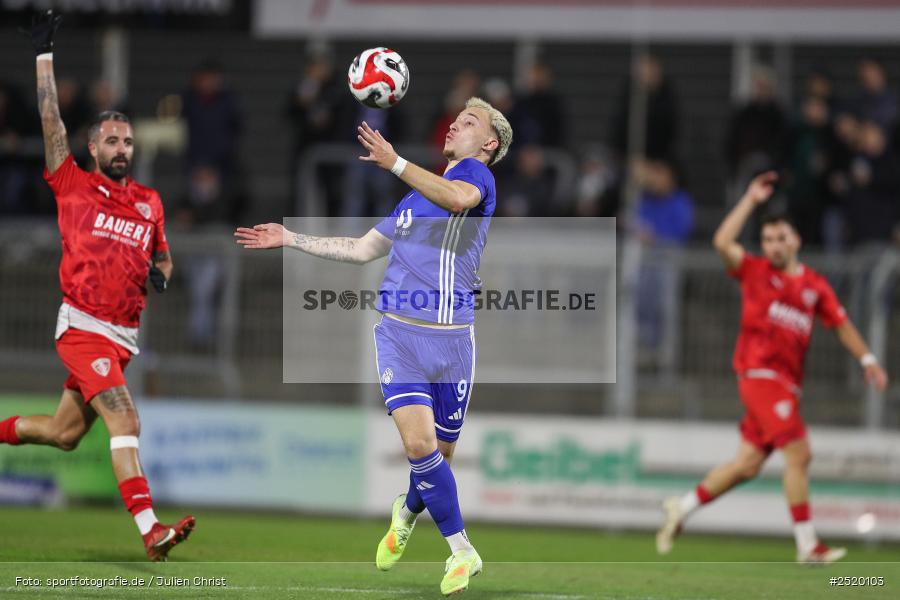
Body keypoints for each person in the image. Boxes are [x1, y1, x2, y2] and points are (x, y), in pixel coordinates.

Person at [236, 97, 512, 596]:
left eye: (469, 122)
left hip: (453, 342)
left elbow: (457, 199)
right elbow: (362, 249)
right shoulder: (410, 201)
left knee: (437, 462)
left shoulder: (477, 178)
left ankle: (405, 513)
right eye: (456, 117)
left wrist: (395, 162)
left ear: (488, 144)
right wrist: (292, 237)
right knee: (420, 447)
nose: (454, 123)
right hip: (399, 334)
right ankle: (463, 551)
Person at [0, 11, 195, 561]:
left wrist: (163, 273)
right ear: (93, 148)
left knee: (63, 434)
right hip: (83, 326)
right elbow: (49, 121)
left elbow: (164, 257)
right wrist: (45, 55)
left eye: (128, 141)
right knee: (126, 418)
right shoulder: (73, 185)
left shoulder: (149, 201)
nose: (122, 148)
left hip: (122, 335)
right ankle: (151, 531)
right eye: (112, 140)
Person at [655, 172, 888, 564]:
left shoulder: (815, 285)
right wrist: (749, 199)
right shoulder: (755, 272)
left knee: (746, 465)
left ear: (796, 240)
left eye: (781, 238)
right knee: (799, 453)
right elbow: (721, 242)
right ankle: (808, 545)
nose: (774, 246)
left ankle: (683, 506)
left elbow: (841, 325)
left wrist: (867, 359)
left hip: (787, 385)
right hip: (760, 376)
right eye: (767, 240)